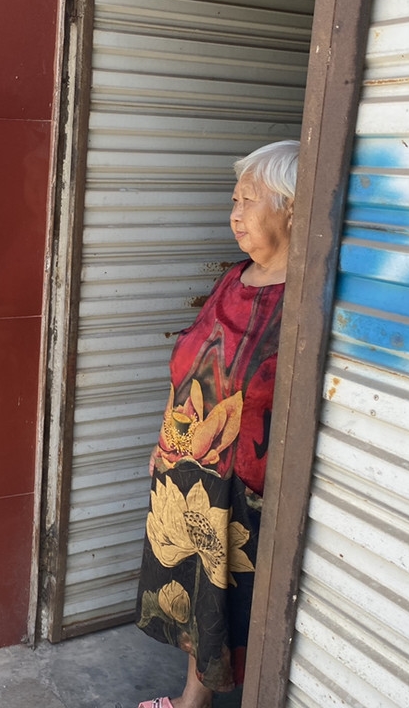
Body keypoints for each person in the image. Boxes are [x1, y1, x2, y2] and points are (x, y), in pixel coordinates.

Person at [133, 140, 299, 708]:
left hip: (247, 486)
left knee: (237, 603)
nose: (236, 213)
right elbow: (190, 365)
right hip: (189, 468)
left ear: (293, 209)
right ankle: (192, 701)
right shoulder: (235, 278)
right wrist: (164, 442)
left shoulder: (304, 297)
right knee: (194, 593)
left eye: (249, 200)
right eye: (234, 200)